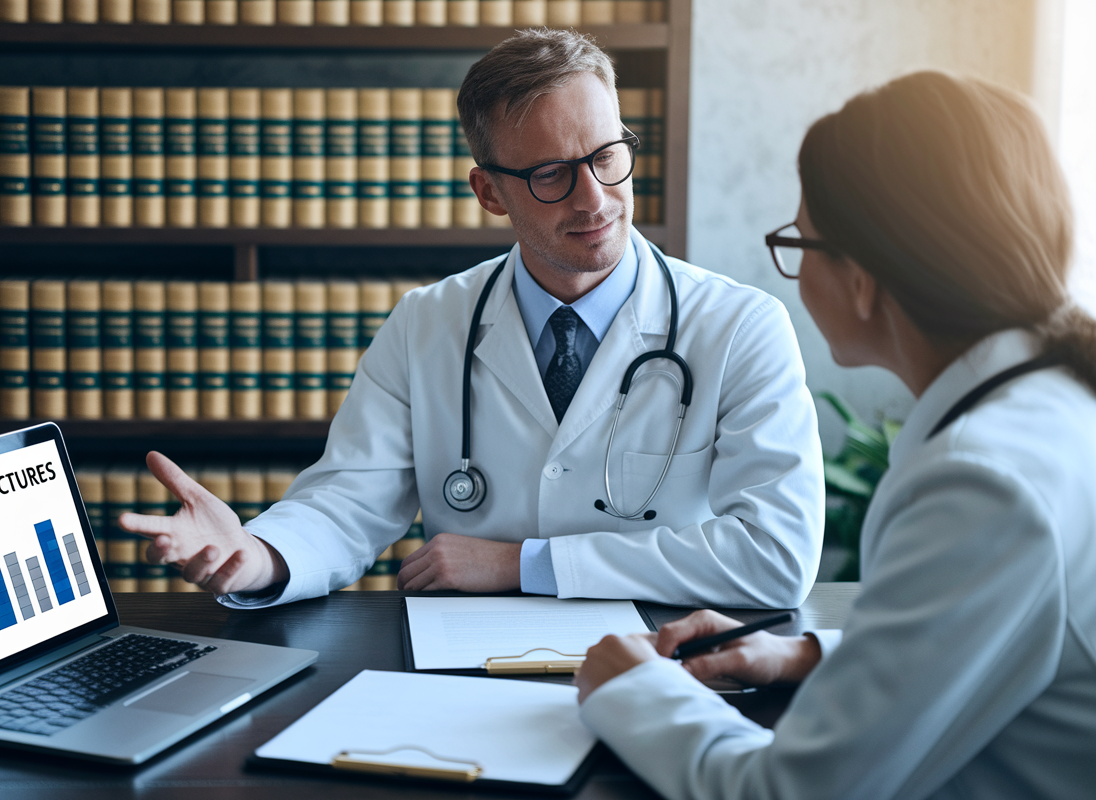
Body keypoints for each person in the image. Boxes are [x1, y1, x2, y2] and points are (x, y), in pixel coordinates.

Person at [118, 29, 824, 609]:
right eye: (552, 173)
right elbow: (348, 502)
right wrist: (260, 553)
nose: (594, 198)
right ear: (489, 192)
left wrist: (527, 564)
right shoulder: (427, 323)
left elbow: (775, 555)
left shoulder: (739, 327)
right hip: (467, 667)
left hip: (667, 666)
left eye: (608, 157)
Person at [575, 70, 1096, 799]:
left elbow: (792, 792)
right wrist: (819, 656)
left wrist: (628, 689)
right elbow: (1003, 630)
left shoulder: (984, 482)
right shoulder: (1058, 408)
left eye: (800, 241)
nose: (793, 272)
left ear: (862, 280)